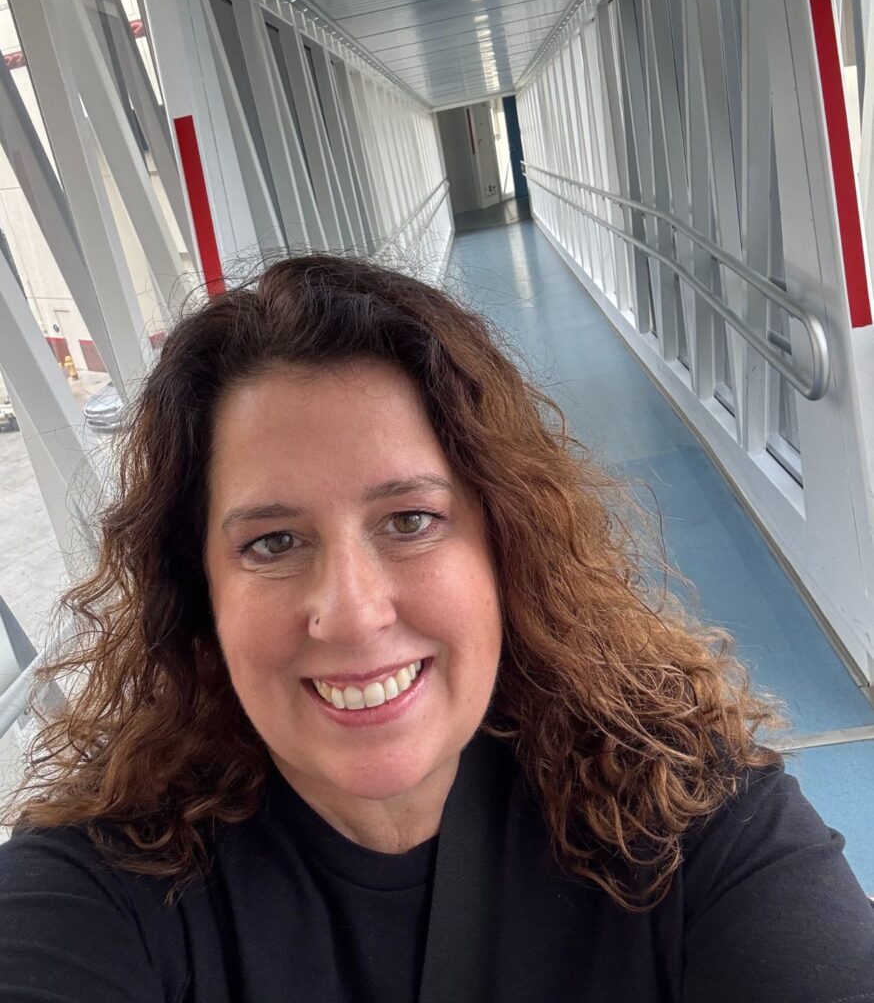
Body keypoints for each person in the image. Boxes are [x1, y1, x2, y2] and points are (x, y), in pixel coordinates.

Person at [0, 254, 871, 1003]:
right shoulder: (107, 890)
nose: (350, 610)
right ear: (201, 600)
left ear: (506, 548)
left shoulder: (688, 819)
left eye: (409, 520)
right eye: (272, 542)